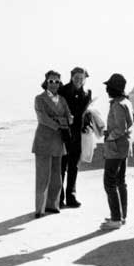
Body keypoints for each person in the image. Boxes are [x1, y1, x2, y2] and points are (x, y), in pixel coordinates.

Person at [32, 70, 73, 218]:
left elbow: (69, 116)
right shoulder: (40, 99)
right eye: (51, 81)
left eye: (57, 81)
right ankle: (40, 208)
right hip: (43, 141)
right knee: (43, 176)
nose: (54, 84)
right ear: (46, 82)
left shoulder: (62, 99)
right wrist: (60, 122)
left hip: (58, 141)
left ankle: (53, 205)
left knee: (57, 176)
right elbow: (43, 118)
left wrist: (65, 119)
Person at [100, 74, 134, 230]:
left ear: (112, 89)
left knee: (109, 182)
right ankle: (121, 215)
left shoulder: (117, 105)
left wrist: (109, 136)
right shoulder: (126, 102)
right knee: (120, 181)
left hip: (115, 148)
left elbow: (120, 128)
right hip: (124, 147)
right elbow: (130, 123)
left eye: (108, 87)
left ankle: (115, 218)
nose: (107, 90)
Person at [58, 67, 92, 208]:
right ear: (71, 77)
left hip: (78, 133)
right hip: (64, 133)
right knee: (61, 166)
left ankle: (71, 195)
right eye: (76, 77)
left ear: (85, 78)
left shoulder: (87, 93)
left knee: (74, 166)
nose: (79, 80)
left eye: (81, 78)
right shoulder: (63, 91)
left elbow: (86, 112)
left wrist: (87, 123)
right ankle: (58, 197)